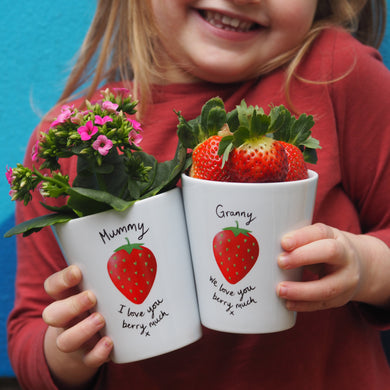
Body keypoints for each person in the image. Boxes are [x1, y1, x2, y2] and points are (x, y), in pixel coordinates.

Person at [7, 0, 390, 389]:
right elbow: (29, 332)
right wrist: (68, 351)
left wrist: (366, 268)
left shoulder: (336, 74)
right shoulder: (72, 143)